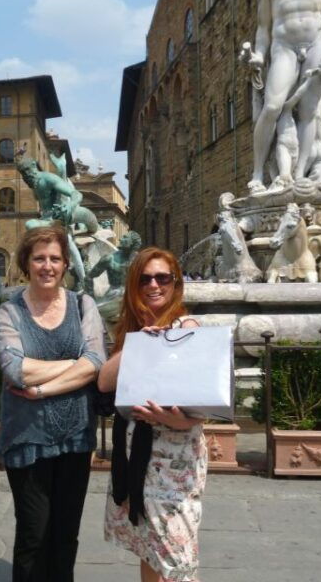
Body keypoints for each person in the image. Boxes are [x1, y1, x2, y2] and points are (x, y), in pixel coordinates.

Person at [0, 225, 106, 582]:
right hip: (27, 438)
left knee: (65, 533)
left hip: (75, 435)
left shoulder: (83, 304)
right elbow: (14, 369)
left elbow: (98, 363)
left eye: (55, 258)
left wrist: (42, 389)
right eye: (39, 258)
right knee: (33, 533)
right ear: (26, 263)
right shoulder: (8, 313)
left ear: (65, 264)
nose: (47, 265)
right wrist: (76, 364)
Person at [98, 247, 205, 582]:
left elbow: (204, 401)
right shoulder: (132, 329)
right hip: (134, 456)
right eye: (145, 278)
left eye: (162, 278)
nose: (153, 285)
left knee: (178, 560)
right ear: (134, 284)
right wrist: (134, 344)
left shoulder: (188, 328)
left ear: (176, 284)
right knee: (149, 548)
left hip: (174, 457)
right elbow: (104, 382)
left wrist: (178, 420)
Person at [247, 0, 321, 190]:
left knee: (310, 112)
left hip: (317, 41)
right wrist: (260, 54)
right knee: (272, 107)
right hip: (283, 45)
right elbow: (263, 27)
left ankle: (298, 175)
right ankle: (257, 173)